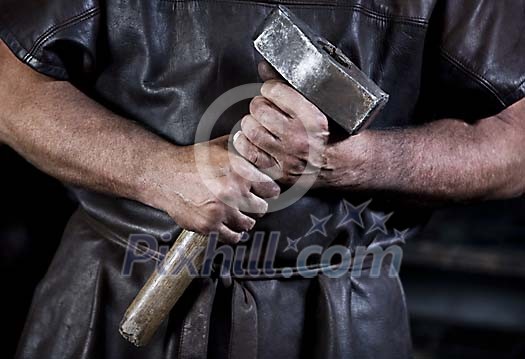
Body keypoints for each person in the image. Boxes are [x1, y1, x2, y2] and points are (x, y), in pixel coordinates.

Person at [1, 0, 524, 358]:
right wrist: (154, 171)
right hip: (112, 287)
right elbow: (7, 80)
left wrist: (349, 162)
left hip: (341, 312)